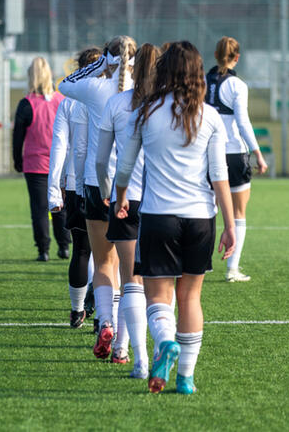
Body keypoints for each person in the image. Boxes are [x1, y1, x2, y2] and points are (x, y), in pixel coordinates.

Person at [115, 41, 236, 396]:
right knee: (190, 298)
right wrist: (230, 226)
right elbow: (219, 176)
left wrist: (121, 198)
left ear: (164, 72)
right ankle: (185, 378)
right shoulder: (210, 116)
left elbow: (125, 167)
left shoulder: (148, 111)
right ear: (198, 73)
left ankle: (166, 342)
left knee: (159, 295)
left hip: (158, 216)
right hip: (201, 219)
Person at [60, 35, 136, 360]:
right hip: (133, 186)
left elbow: (65, 84)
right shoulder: (143, 91)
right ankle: (122, 342)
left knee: (103, 261)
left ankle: (105, 321)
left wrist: (100, 65)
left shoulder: (95, 88)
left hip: (94, 184)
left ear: (108, 56)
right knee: (129, 271)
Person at [94, 42, 160, 376]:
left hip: (125, 199)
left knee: (129, 279)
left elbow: (102, 159)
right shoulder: (169, 105)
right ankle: (151, 349)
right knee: (161, 284)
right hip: (162, 203)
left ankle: (136, 357)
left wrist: (108, 193)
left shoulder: (117, 103)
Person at [204, 36, 268, 282]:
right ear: (236, 57)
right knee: (238, 212)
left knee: (208, 208)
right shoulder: (238, 85)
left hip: (209, 152)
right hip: (234, 155)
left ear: (216, 55)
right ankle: (232, 269)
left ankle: (202, 262)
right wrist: (258, 154)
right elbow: (243, 122)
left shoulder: (202, 80)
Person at [48, 47, 100, 328]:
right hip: (107, 184)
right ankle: (104, 316)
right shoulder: (112, 98)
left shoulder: (68, 101)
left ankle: (77, 310)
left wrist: (54, 189)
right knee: (109, 254)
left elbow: (59, 146)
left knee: (81, 248)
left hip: (75, 184)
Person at [13, 56, 68, 262]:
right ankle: (64, 246)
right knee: (61, 204)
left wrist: (17, 160)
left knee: (39, 209)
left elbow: (17, 137)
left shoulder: (26, 104)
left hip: (35, 163)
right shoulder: (61, 101)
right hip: (60, 163)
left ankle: (43, 249)